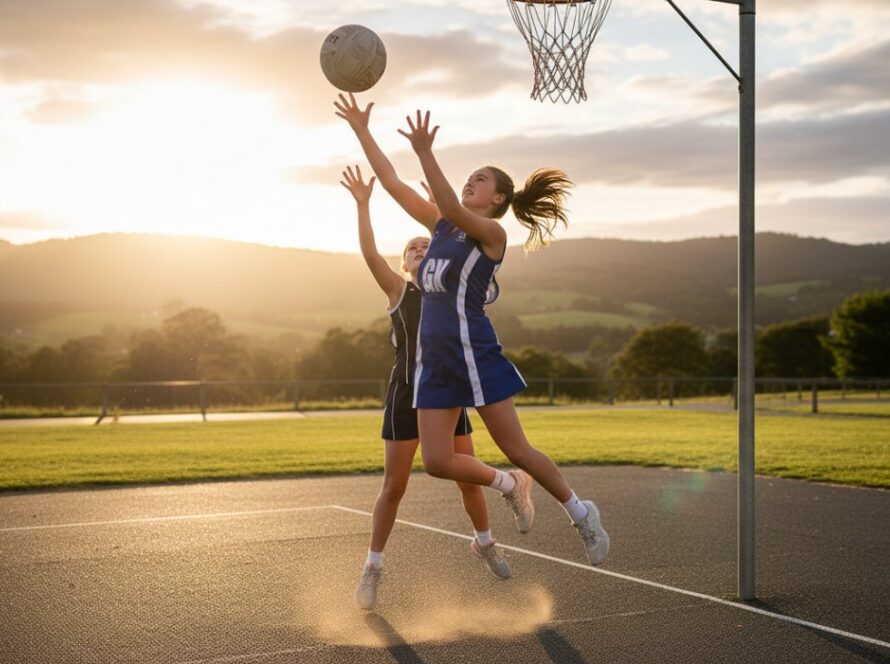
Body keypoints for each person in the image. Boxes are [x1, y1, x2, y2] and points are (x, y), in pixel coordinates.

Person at [335, 93, 610, 567]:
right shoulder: (441, 227)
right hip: (435, 365)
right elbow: (393, 182)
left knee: (517, 449)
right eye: (470, 177)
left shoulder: (493, 236)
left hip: (474, 354)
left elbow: (445, 204)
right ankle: (509, 485)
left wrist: (426, 151)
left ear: (498, 199)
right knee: (438, 463)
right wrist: (362, 130)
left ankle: (581, 513)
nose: (470, 182)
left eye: (479, 180)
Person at [340, 163, 513, 612]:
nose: (420, 247)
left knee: (466, 476)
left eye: (425, 244)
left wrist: (442, 212)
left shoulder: (449, 287)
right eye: (412, 247)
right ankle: (373, 567)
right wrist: (364, 205)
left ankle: (486, 542)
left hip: (449, 388)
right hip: (407, 393)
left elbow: (463, 245)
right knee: (393, 488)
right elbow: (370, 255)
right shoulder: (399, 291)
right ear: (406, 263)